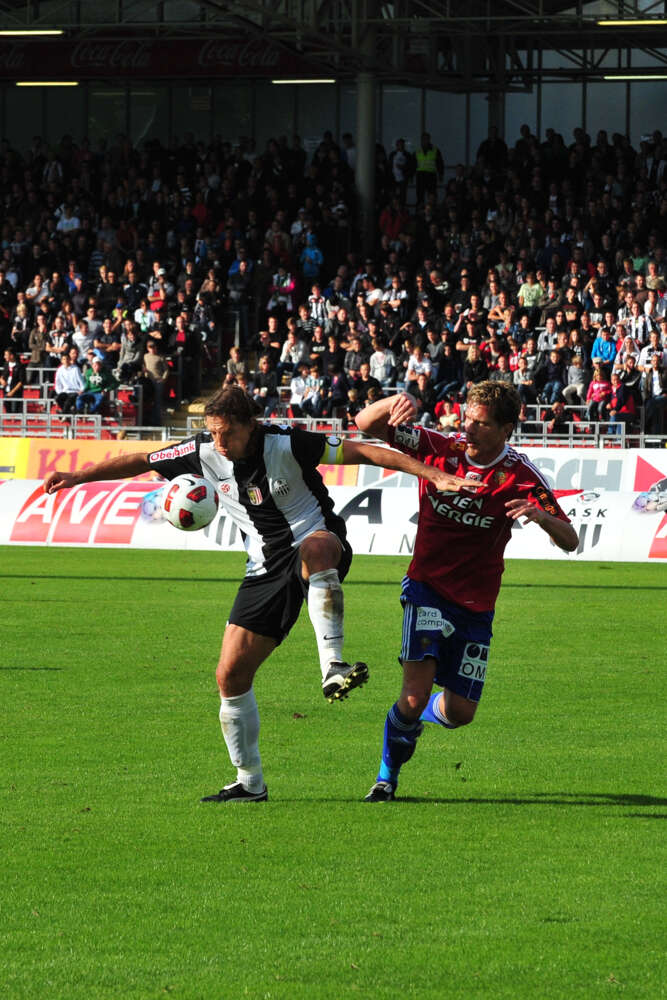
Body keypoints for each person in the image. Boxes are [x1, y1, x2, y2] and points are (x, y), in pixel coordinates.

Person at [44, 385, 477, 803]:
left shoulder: (288, 443)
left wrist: (435, 474)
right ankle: (249, 782)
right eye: (213, 431)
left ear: (250, 425)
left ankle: (333, 665)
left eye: (227, 432)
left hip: (317, 540)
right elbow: (140, 458)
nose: (220, 441)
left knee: (317, 547)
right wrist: (77, 477)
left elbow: (363, 450)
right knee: (229, 676)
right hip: (264, 568)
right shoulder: (202, 452)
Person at [354, 381, 578, 802]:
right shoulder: (441, 447)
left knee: (461, 713)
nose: (468, 428)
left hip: (477, 606)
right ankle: (386, 778)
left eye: (481, 423)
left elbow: (570, 540)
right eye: (467, 418)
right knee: (414, 695)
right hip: (427, 588)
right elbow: (366, 423)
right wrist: (396, 399)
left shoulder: (522, 477)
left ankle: (420, 716)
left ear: (507, 429)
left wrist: (540, 516)